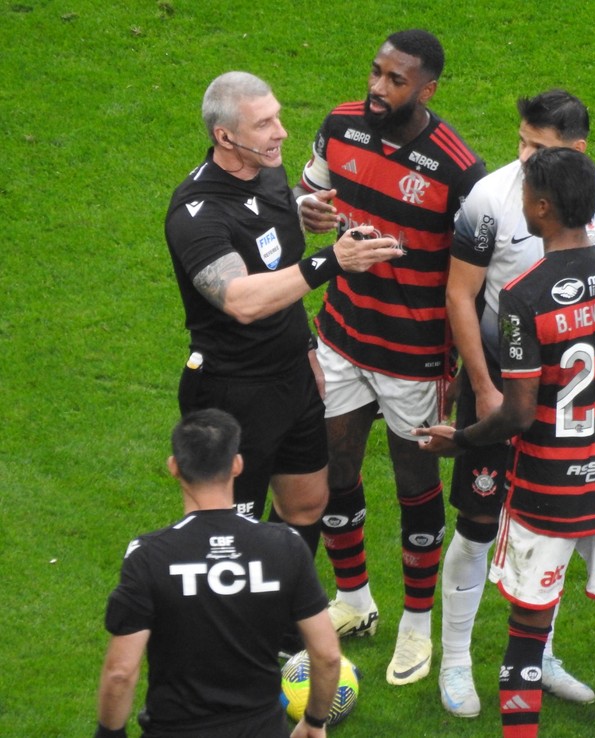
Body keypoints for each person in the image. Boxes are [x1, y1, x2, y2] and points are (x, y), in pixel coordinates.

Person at [415, 148, 595, 738]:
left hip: (546, 493)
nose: (519, 201)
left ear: (543, 208)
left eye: (526, 193)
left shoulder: (525, 294)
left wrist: (463, 440)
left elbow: (519, 412)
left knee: (527, 633)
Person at [293, 29, 486, 686]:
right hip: (342, 334)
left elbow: (476, 278)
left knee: (415, 486)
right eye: (375, 72)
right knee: (337, 467)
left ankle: (415, 624)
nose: (378, 88)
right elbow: (306, 194)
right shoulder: (339, 126)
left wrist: (468, 369)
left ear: (427, 89)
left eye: (395, 80)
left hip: (413, 356)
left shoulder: (459, 170)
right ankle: (354, 600)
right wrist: (309, 211)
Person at [164, 71, 403, 558]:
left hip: (292, 373)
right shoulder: (198, 213)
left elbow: (266, 243)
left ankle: (276, 618)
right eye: (264, 124)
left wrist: (300, 209)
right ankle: (235, 626)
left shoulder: (265, 171)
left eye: (277, 117)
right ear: (224, 136)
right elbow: (240, 299)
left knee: (307, 503)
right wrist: (330, 260)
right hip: (234, 388)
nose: (281, 133)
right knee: (232, 529)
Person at [94, 409, 341, 738]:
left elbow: (121, 672)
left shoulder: (149, 557)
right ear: (237, 465)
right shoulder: (285, 547)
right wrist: (313, 721)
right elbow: (326, 655)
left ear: (174, 468)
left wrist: (108, 734)